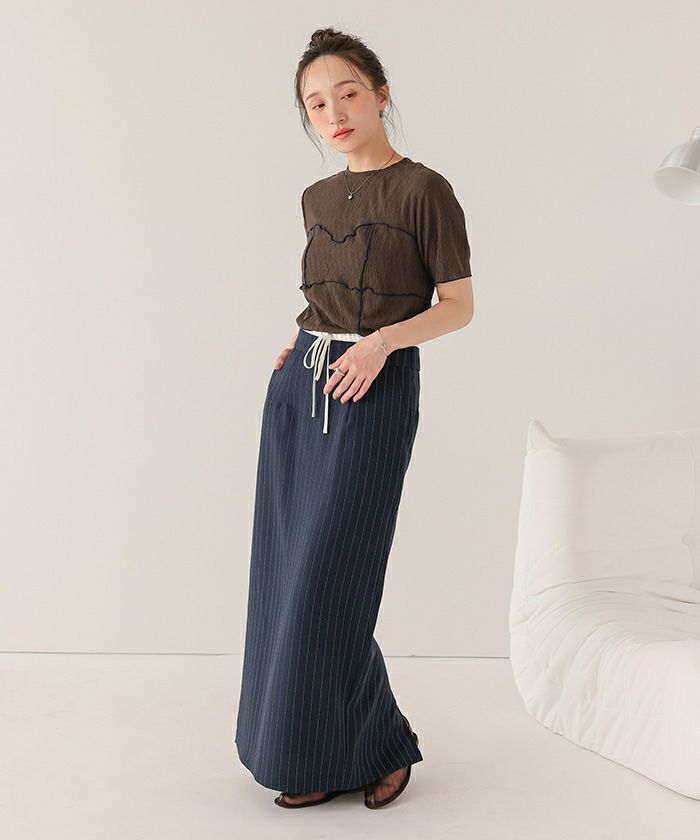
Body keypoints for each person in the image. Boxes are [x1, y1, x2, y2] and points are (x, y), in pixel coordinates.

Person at [234, 26, 474, 809]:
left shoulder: (424, 190)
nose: (333, 113)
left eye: (347, 94)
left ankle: (383, 746)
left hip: (375, 388)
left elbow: (459, 306)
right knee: (285, 578)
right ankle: (310, 757)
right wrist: (298, 343)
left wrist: (381, 344)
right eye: (316, 103)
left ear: (380, 95)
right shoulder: (314, 198)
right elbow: (324, 298)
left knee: (333, 582)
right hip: (299, 388)